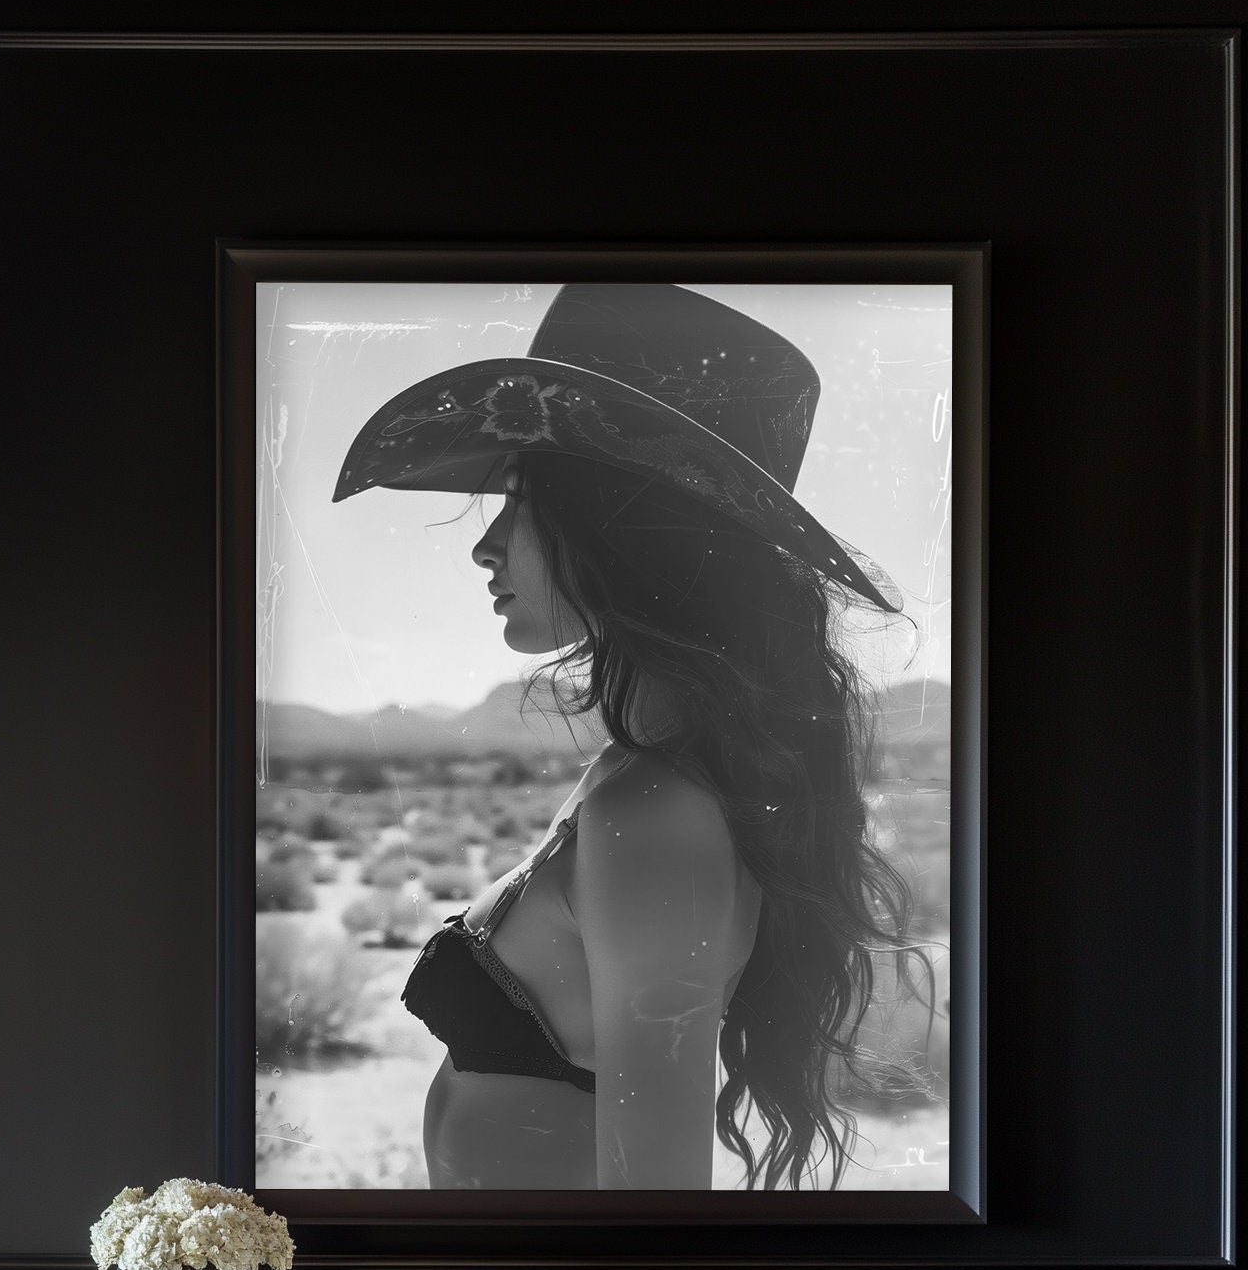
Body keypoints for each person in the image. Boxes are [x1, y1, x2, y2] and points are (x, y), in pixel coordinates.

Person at [333, 282, 915, 1191]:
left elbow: (659, 1197)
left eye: (521, 501)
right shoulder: (640, 780)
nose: (486, 545)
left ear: (620, 527)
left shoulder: (658, 812)